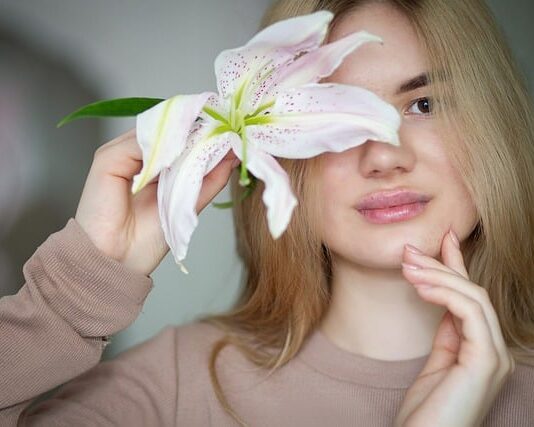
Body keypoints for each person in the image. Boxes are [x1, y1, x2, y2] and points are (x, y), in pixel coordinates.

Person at [1, 0, 534, 425]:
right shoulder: (170, 390)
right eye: (334, 112)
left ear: (494, 124)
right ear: (275, 155)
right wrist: (72, 297)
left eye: (424, 105)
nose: (384, 156)